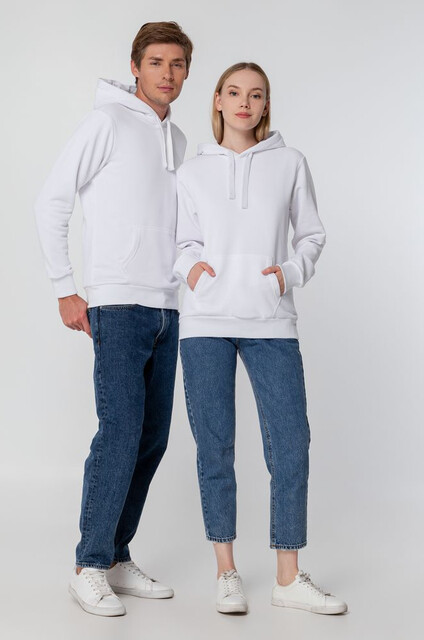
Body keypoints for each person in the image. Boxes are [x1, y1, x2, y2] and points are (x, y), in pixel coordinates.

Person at [173, 62, 348, 615]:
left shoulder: (289, 162)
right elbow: (180, 240)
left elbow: (312, 234)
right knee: (215, 446)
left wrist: (288, 274)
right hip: (205, 323)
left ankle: (287, 576)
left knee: (290, 444)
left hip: (271, 320)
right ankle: (226, 571)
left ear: (266, 104)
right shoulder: (192, 170)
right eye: (233, 92)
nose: (244, 102)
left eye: (255, 94)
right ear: (218, 101)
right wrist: (193, 270)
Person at [34, 21, 193, 617]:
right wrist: (65, 288)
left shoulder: (177, 139)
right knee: (120, 432)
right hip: (118, 304)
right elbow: (52, 199)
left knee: (152, 438)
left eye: (177, 64)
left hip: (167, 306)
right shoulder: (106, 122)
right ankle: (90, 563)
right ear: (135, 67)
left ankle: (118, 554)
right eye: (156, 62)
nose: (167, 74)